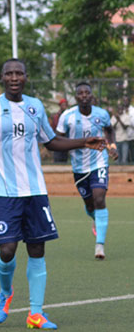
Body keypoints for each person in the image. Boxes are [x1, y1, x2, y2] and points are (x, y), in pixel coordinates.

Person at [0, 59, 105, 331]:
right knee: (7, 249)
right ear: (2, 77)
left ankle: (35, 314)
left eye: (19, 73)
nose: (14, 77)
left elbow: (51, 142)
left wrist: (84, 141)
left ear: (26, 77)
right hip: (3, 193)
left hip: (35, 190)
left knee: (37, 249)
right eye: (9, 73)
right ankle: (5, 292)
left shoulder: (35, 106)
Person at [56, 82, 117, 260]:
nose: (84, 95)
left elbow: (109, 130)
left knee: (99, 198)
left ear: (92, 96)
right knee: (90, 205)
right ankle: (95, 219)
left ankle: (100, 246)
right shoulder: (67, 116)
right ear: (75, 98)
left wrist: (111, 146)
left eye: (87, 93)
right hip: (79, 167)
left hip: (99, 163)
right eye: (80, 93)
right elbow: (58, 138)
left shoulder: (102, 114)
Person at [111, 101, 132, 165]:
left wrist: (119, 119)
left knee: (124, 160)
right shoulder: (114, 117)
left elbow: (125, 127)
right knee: (117, 160)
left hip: (124, 140)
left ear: (123, 109)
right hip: (116, 140)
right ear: (117, 110)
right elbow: (112, 128)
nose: (120, 110)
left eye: (121, 109)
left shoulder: (126, 116)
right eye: (119, 109)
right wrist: (117, 120)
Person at [49, 98, 69, 162]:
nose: (64, 107)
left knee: (64, 155)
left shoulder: (68, 115)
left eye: (65, 105)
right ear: (60, 106)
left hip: (65, 138)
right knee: (58, 154)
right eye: (63, 105)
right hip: (58, 137)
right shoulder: (57, 116)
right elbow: (55, 126)